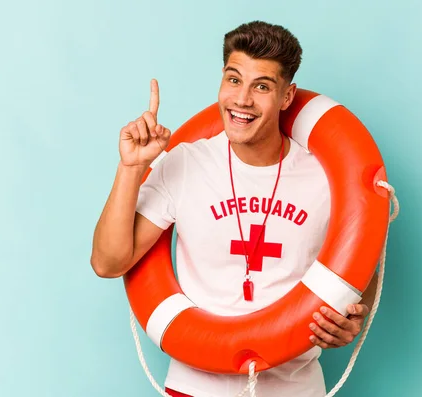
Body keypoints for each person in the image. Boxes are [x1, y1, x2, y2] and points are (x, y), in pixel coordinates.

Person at [91, 20, 378, 397]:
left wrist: (351, 317)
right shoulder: (186, 163)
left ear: (287, 97)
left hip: (295, 389)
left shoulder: (325, 176)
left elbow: (358, 265)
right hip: (195, 386)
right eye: (233, 79)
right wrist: (131, 168)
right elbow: (107, 263)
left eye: (262, 86)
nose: (242, 99)